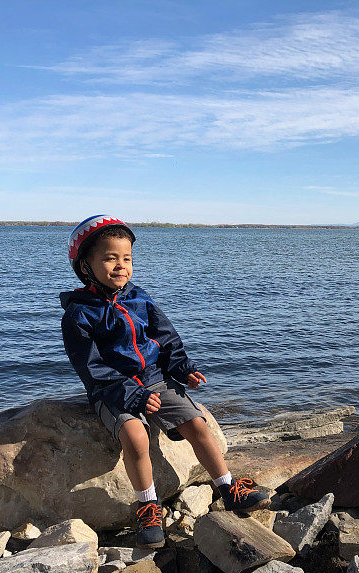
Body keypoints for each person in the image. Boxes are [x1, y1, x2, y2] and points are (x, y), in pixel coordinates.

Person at [59, 215, 268, 549]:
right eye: (109, 258)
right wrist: (133, 396)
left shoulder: (139, 298)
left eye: (126, 258)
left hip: (154, 379)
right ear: (85, 266)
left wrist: (181, 367)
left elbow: (166, 338)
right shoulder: (79, 314)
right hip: (114, 390)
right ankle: (147, 506)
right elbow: (91, 367)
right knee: (136, 436)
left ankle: (228, 487)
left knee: (197, 424)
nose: (120, 266)